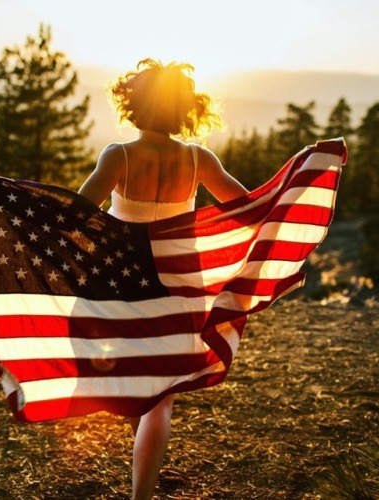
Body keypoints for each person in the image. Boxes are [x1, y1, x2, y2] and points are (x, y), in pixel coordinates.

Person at [78, 58, 249, 500]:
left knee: (141, 383)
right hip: (180, 284)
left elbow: (74, 214)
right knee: (161, 395)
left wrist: (9, 199)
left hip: (123, 283)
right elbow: (246, 208)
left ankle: (141, 483)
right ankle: (143, 487)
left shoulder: (118, 157)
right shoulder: (199, 160)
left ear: (131, 103)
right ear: (183, 110)